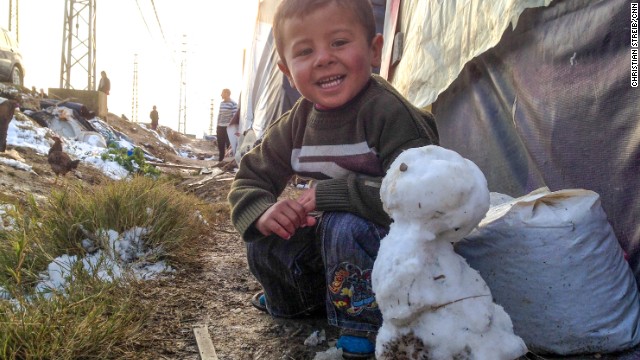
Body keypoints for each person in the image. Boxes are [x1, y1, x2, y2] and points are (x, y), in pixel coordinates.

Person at [227, 0, 439, 358]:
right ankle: (296, 302)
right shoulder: (296, 123)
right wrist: (262, 211)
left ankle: (363, 323)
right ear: (286, 70)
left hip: (394, 249)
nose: (323, 58)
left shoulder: (388, 113)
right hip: (334, 250)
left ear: (373, 50)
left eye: (339, 42)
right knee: (265, 233)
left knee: (343, 226)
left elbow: (424, 195)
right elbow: (250, 178)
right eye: (305, 51)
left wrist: (333, 194)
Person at [215, 88, 238, 162]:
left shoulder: (233, 104)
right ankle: (220, 160)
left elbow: (234, 117)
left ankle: (228, 161)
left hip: (228, 127)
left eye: (222, 93)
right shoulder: (222, 104)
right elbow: (220, 115)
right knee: (220, 144)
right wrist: (217, 125)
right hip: (220, 127)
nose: (221, 95)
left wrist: (232, 128)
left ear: (227, 94)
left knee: (228, 144)